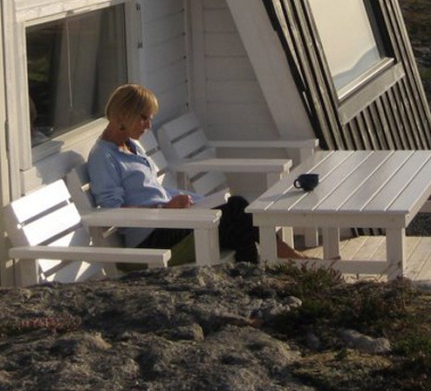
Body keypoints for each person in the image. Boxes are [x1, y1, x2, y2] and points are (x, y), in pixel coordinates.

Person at [87, 83, 304, 264]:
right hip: (150, 238)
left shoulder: (132, 146)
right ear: (124, 114)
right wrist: (163, 209)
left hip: (168, 222)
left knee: (238, 219)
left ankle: (265, 273)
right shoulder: (103, 157)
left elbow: (155, 190)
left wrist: (202, 202)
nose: (149, 126)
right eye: (144, 118)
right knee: (236, 211)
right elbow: (112, 211)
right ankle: (289, 262)